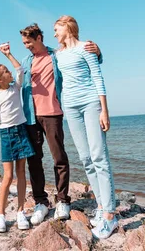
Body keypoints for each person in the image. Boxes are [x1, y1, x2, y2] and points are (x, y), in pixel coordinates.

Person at [19, 23, 102, 224]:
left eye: (28, 42)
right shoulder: (26, 60)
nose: (26, 46)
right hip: (31, 116)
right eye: (24, 43)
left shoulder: (57, 55)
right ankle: (41, 202)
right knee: (34, 160)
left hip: (53, 114)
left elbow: (83, 62)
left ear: (39, 37)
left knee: (59, 158)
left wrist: (98, 52)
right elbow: (16, 84)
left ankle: (63, 200)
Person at [53, 15, 118, 239]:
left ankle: (110, 214)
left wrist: (104, 110)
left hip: (91, 103)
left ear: (67, 27)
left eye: (56, 29)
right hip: (70, 108)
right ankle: (101, 206)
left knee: (99, 156)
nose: (54, 34)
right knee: (86, 159)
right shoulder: (57, 54)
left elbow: (98, 77)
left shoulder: (87, 47)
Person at [0, 43, 36, 233]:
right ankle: (1, 214)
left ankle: (20, 212)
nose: (8, 71)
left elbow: (20, 69)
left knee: (21, 173)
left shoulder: (15, 87)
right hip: (6, 134)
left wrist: (8, 54)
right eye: (5, 71)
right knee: (8, 176)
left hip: (21, 130)